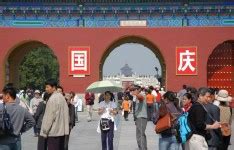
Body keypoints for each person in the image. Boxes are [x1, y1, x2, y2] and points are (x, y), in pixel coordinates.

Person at [40, 79, 69, 150]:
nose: (45, 89)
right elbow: (66, 115)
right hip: (61, 131)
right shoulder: (61, 97)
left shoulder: (52, 99)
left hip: (53, 132)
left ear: (53, 87)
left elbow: (49, 117)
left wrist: (45, 131)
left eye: (47, 87)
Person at [132, 85, 148, 150]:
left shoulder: (141, 95)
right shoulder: (136, 97)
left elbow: (141, 98)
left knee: (141, 134)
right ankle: (141, 147)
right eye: (133, 90)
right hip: (138, 118)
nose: (133, 91)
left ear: (139, 90)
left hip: (142, 117)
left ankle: (143, 148)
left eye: (134, 89)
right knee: (138, 135)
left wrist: (136, 94)